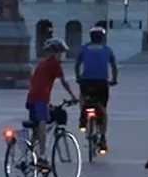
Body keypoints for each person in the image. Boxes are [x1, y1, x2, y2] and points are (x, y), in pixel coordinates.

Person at [27, 37, 79, 168]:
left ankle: (31, 153)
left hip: (31, 98)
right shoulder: (54, 64)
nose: (61, 55)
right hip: (41, 98)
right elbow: (64, 82)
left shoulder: (41, 64)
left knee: (36, 126)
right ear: (55, 53)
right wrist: (73, 96)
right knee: (43, 125)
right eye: (60, 52)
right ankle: (42, 157)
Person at [75, 26, 118, 151]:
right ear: (102, 38)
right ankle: (103, 137)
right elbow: (114, 66)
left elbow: (77, 64)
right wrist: (114, 80)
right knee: (103, 109)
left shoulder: (84, 48)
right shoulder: (107, 50)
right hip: (101, 82)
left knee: (83, 97)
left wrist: (78, 77)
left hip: (86, 81)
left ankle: (83, 115)